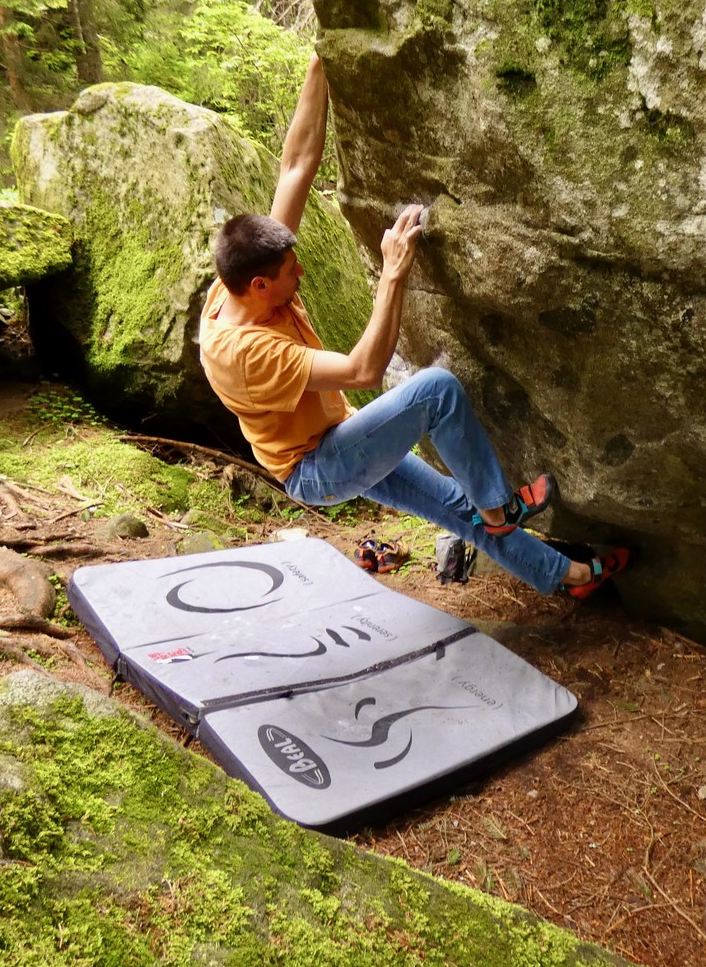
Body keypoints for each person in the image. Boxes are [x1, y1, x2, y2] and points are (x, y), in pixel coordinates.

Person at [198, 57, 629, 600]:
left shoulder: (236, 283)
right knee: (437, 392)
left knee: (456, 505)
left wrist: (320, 62)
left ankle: (572, 578)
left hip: (337, 437)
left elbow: (296, 166)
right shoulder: (245, 352)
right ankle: (499, 508)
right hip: (318, 466)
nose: (300, 272)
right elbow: (363, 370)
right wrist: (393, 272)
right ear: (260, 285)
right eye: (290, 272)